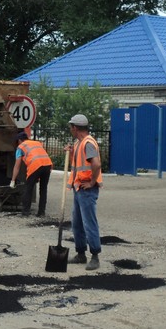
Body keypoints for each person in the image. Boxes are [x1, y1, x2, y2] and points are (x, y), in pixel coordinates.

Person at [66, 114, 103, 271]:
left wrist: (92, 182)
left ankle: (95, 256)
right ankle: (81, 253)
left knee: (89, 222)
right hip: (79, 188)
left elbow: (96, 163)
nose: (70, 130)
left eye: (71, 127)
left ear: (75, 128)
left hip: (87, 189)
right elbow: (78, 162)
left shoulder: (88, 143)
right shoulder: (79, 143)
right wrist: (71, 152)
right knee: (77, 223)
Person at [10, 131, 53, 216]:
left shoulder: (20, 147)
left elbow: (17, 166)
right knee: (43, 189)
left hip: (35, 165)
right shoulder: (37, 143)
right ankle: (41, 212)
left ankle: (25, 212)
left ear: (19, 140)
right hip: (48, 165)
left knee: (28, 188)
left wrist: (13, 180)